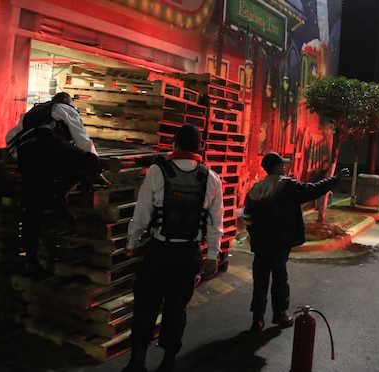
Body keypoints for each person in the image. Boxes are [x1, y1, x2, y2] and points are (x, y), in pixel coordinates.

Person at [123, 125, 223, 372]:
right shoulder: (210, 178)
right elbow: (215, 223)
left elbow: (142, 212)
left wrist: (131, 243)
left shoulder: (158, 171)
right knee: (176, 308)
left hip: (159, 251)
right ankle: (168, 362)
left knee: (146, 305)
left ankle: (138, 361)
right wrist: (212, 256)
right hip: (188, 255)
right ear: (200, 146)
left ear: (175, 144)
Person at [244, 152, 348, 332]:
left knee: (260, 281)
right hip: (279, 243)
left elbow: (248, 217)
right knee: (280, 279)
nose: (284, 167)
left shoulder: (256, 189)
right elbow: (313, 190)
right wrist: (334, 180)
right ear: (277, 167)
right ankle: (280, 315)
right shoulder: (287, 185)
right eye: (281, 164)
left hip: (260, 244)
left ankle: (257, 320)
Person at [12, 92, 107, 279]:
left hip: (26, 152)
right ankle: (59, 197)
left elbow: (10, 138)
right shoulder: (66, 109)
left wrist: (25, 165)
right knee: (86, 160)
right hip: (48, 146)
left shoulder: (34, 112)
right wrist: (96, 170)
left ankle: (31, 260)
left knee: (32, 208)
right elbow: (82, 141)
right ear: (67, 102)